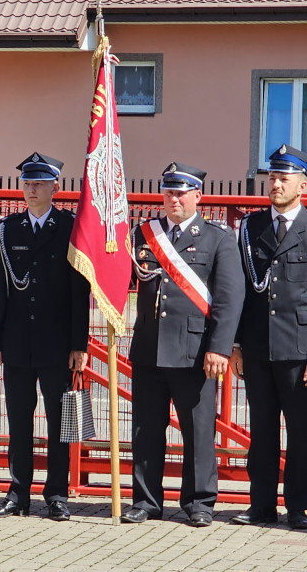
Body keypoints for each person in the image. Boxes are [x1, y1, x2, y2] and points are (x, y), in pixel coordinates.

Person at [122, 162, 243, 527]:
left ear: (197, 196)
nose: (174, 198)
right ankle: (146, 500)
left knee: (198, 430)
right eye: (169, 191)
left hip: (196, 353)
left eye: (181, 192)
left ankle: (199, 502)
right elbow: (122, 279)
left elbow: (229, 298)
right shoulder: (144, 235)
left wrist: (220, 348)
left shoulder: (218, 238)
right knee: (145, 429)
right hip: (148, 349)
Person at [0, 153, 90, 521]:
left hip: (57, 343)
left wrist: (81, 344)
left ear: (55, 188)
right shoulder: (8, 228)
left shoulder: (70, 228)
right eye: (27, 183)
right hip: (17, 342)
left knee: (60, 422)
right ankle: (18, 492)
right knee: (19, 420)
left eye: (39, 183)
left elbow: (80, 293)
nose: (31, 190)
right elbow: (0, 290)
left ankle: (57, 494)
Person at [230, 145, 307, 529]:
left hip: (298, 349)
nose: (275, 184)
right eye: (272, 177)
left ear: (302, 184)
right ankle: (261, 505)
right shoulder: (250, 227)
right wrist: (237, 344)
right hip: (258, 348)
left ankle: (298, 507)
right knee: (261, 431)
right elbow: (240, 290)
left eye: (284, 178)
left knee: (301, 432)